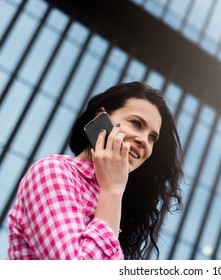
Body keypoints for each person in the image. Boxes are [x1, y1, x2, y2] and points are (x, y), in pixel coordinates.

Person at [7, 81, 183, 260]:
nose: (145, 141)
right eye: (136, 123)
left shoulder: (113, 203)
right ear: (101, 118)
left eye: (152, 137)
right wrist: (112, 190)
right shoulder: (53, 172)